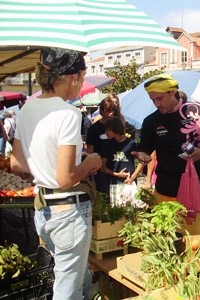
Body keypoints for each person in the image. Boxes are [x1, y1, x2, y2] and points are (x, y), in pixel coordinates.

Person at [10, 47, 102, 300]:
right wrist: (90, 161)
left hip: (43, 209)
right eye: (82, 78)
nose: (81, 84)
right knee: (66, 289)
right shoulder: (68, 114)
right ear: (73, 77)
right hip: (68, 209)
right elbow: (65, 178)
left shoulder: (27, 108)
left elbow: (16, 163)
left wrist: (43, 165)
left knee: (74, 273)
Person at [132, 73, 200, 218]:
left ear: (172, 92)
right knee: (167, 236)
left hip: (197, 186)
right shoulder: (151, 121)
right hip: (166, 189)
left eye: (160, 98)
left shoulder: (196, 111)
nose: (157, 104)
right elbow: (145, 149)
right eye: (152, 100)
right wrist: (143, 155)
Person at [101, 116, 143, 205]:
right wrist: (116, 174)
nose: (106, 133)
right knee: (117, 209)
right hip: (114, 183)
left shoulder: (131, 144)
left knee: (133, 208)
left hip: (130, 182)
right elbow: (102, 166)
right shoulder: (108, 144)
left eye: (108, 130)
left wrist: (133, 177)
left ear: (115, 129)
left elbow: (142, 161)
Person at [86, 97, 118, 193]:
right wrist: (90, 167)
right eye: (108, 111)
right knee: (103, 194)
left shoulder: (117, 126)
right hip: (99, 167)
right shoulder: (94, 129)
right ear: (102, 111)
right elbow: (90, 149)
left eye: (113, 111)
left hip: (115, 164)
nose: (110, 114)